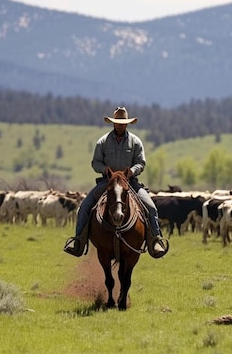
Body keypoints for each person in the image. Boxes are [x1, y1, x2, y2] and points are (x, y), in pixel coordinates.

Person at [63, 106, 168, 258]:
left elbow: (141, 162)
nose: (120, 125)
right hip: (107, 182)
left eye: (123, 122)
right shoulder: (103, 142)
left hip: (130, 182)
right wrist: (104, 169)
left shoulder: (135, 142)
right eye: (118, 122)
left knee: (151, 207)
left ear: (127, 124)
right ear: (113, 123)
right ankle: (79, 241)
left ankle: (155, 241)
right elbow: (95, 163)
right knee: (84, 207)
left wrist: (132, 170)